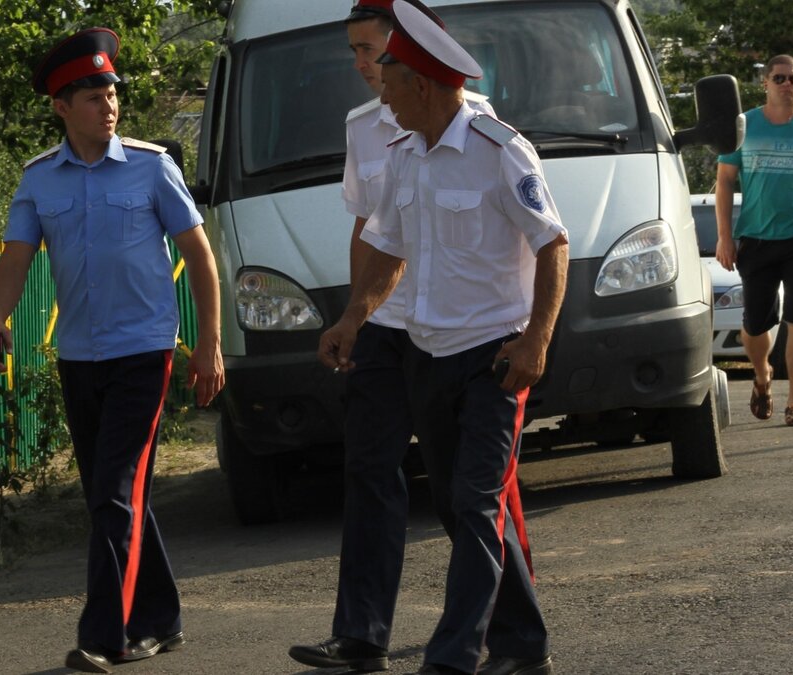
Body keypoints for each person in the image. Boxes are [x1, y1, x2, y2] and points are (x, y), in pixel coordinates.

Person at [318, 3, 568, 674]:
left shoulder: (498, 150)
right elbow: (389, 253)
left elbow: (553, 244)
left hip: (494, 359)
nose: (382, 92)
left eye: (390, 80)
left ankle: (453, 655)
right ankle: (523, 644)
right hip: (429, 359)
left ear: (422, 85)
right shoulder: (406, 155)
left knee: (475, 501)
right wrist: (352, 319)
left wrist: (536, 342)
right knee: (464, 512)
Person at [0, 27, 224, 674]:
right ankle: (162, 616)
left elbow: (199, 257)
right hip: (80, 356)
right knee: (113, 495)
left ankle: (106, 634)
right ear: (61, 106)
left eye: (111, 91)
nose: (107, 103)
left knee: (115, 491)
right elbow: (16, 259)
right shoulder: (38, 180)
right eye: (90, 95)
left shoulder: (151, 165)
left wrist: (208, 347)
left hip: (144, 352)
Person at [288, 1, 494, 672]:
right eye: (352, 51)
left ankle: (500, 627)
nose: (362, 64)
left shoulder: (480, 119)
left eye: (370, 49)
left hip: (457, 332)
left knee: (474, 490)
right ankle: (361, 635)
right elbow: (368, 229)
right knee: (370, 469)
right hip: (386, 324)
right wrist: (354, 317)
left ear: (410, 51)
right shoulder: (361, 129)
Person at [714, 53, 793, 428]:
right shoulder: (744, 126)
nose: (788, 85)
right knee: (755, 326)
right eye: (780, 78)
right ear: (765, 83)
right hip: (755, 238)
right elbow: (724, 181)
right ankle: (762, 375)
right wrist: (725, 237)